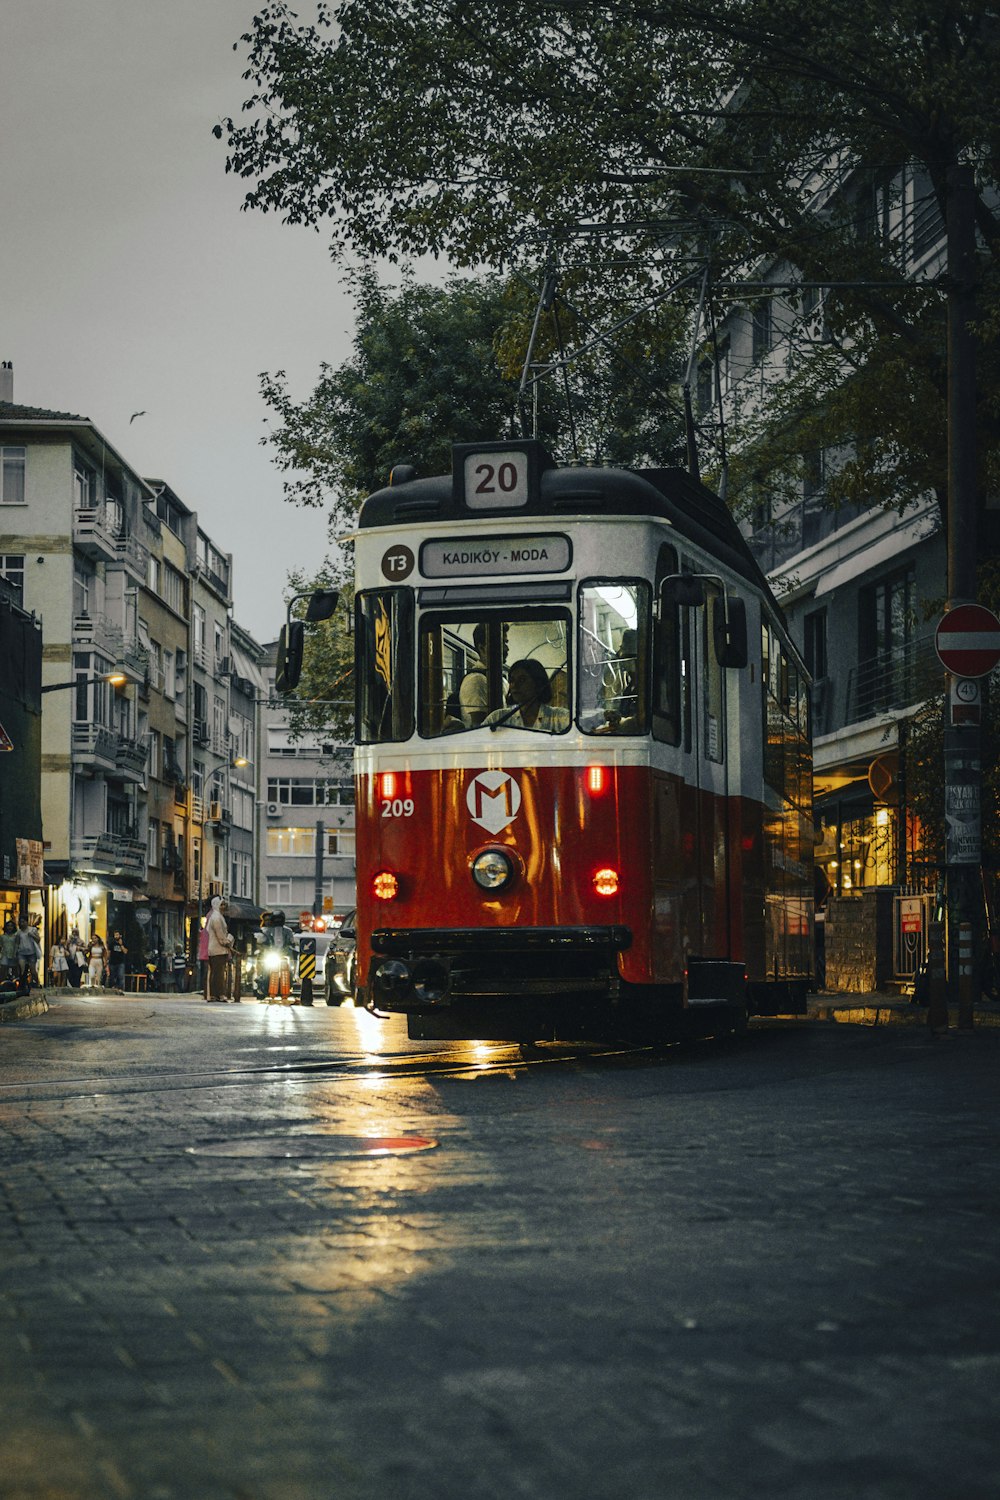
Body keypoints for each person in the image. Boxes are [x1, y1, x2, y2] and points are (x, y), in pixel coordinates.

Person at [484, 658, 570, 733]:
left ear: (538, 683)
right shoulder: (497, 718)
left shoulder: (561, 717)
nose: (514, 685)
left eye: (522, 680)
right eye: (512, 680)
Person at [459, 624, 492, 727]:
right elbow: (479, 726)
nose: (506, 649)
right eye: (502, 643)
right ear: (482, 648)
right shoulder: (477, 680)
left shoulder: (492, 678)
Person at [205, 895, 235, 1003]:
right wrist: (228, 942)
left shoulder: (217, 916)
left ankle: (215, 994)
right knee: (218, 974)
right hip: (218, 950)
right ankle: (218, 994)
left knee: (217, 973)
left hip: (216, 949)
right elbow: (220, 936)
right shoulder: (216, 918)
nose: (224, 907)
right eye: (221, 904)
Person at [16, 917, 43, 995]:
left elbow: (38, 939)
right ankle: (23, 985)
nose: (22, 923)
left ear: (26, 922)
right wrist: (16, 952)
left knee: (33, 970)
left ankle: (38, 983)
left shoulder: (33, 930)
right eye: (20, 922)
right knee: (22, 969)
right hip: (22, 952)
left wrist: (32, 935)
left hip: (31, 953)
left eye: (23, 921)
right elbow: (17, 943)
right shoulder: (19, 932)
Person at [1, 918, 19, 988]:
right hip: (4, 954)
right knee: (3, 970)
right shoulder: (2, 937)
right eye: (8, 926)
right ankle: (2, 985)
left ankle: (16, 985)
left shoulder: (16, 937)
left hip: (13, 954)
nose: (10, 927)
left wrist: (16, 954)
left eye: (11, 926)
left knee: (15, 971)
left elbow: (17, 945)